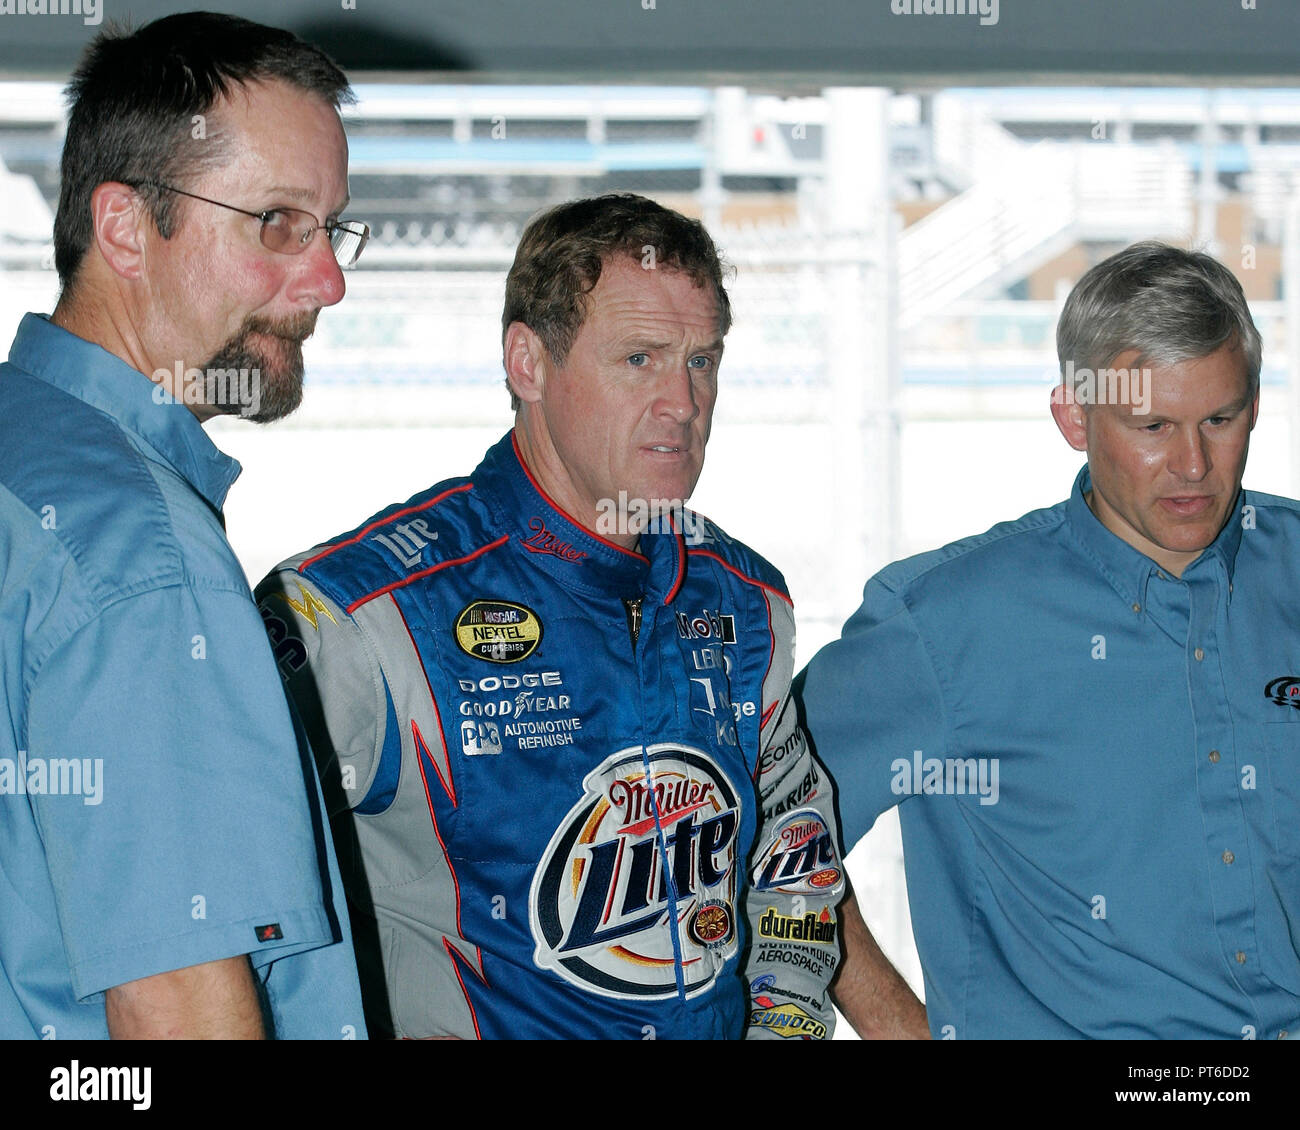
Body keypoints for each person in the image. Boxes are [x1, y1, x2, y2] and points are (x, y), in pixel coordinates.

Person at [257, 193, 845, 1039]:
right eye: (640, 358)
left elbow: (793, 857)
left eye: (702, 361)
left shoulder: (748, 601)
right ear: (528, 363)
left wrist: (785, 1028)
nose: (682, 401)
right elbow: (225, 904)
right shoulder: (359, 614)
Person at [798, 240, 1300, 1039]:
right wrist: (902, 1031)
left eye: (1220, 417)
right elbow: (751, 832)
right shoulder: (939, 625)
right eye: (1153, 425)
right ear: (1074, 416)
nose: (1194, 464)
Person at [0, 12, 370, 1039]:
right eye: (279, 224)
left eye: (332, 228)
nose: (329, 279)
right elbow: (176, 1009)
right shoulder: (143, 561)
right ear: (124, 227)